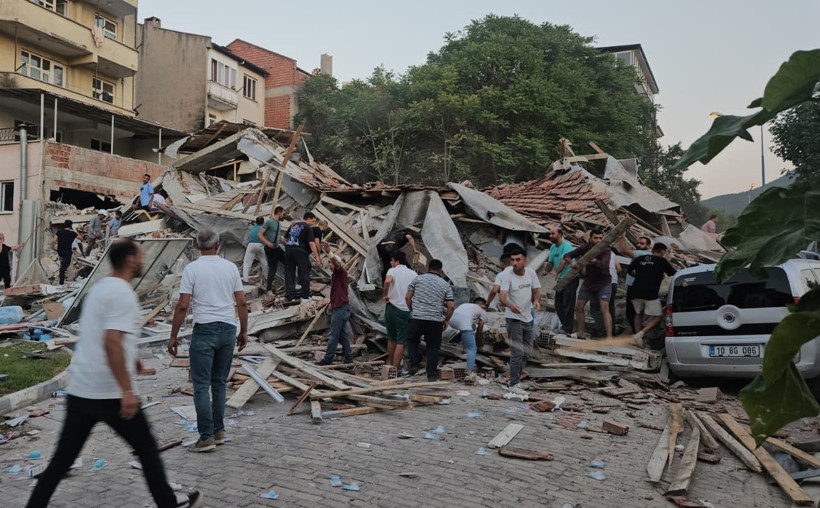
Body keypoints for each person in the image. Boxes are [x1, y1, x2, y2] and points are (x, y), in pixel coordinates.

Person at [26, 238, 203, 508]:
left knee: (61, 462)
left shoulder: (99, 289)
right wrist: (127, 390)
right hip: (110, 394)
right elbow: (110, 342)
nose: (143, 259)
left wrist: (133, 359)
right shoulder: (122, 293)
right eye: (140, 255)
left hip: (81, 390)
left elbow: (105, 336)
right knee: (146, 448)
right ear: (130, 260)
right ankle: (168, 503)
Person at [168, 230, 248, 453]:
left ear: (196, 245)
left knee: (201, 385)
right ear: (218, 244)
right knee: (219, 382)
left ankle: (206, 437)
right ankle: (219, 431)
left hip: (205, 330)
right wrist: (244, 331)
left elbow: (183, 305)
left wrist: (173, 335)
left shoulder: (192, 269)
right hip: (228, 329)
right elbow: (241, 302)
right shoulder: (230, 267)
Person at [499, 248, 541, 394]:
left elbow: (536, 290)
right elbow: (502, 296)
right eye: (513, 260)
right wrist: (511, 306)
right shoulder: (507, 275)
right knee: (517, 352)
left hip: (527, 318)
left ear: (525, 261)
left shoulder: (531, 273)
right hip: (513, 318)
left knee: (527, 351)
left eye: (518, 260)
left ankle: (516, 379)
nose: (514, 263)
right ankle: (513, 383)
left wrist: (536, 301)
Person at [404, 259, 455, 381]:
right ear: (441, 271)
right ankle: (431, 375)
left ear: (428, 268)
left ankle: (414, 365)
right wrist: (446, 319)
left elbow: (407, 297)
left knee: (411, 341)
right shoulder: (445, 284)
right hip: (435, 320)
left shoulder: (418, 279)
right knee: (433, 347)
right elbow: (451, 306)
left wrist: (412, 309)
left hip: (417, 317)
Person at [558, 229, 613, 339]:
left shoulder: (606, 250)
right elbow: (568, 255)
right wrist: (572, 262)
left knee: (604, 309)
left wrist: (594, 261)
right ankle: (580, 333)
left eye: (600, 238)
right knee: (579, 307)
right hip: (588, 282)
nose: (598, 240)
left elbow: (604, 264)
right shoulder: (585, 248)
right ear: (590, 239)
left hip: (603, 283)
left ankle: (609, 337)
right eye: (596, 238)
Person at [627, 243, 677, 342]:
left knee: (638, 314)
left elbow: (629, 269)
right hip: (650, 293)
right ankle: (640, 334)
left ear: (652, 250)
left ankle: (637, 338)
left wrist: (638, 277)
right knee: (658, 316)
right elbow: (673, 273)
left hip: (635, 290)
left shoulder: (640, 258)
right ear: (662, 251)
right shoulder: (662, 261)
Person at [383, 251, 417, 370]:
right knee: (401, 341)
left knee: (391, 338)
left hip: (391, 308)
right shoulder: (413, 274)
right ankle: (395, 368)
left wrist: (385, 294)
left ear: (397, 261)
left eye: (392, 261)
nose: (391, 263)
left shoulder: (393, 270)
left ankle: (391, 367)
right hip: (405, 309)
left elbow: (388, 281)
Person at [318, 256, 353, 365]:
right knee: (342, 336)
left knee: (333, 335)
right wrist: (331, 304)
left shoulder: (341, 272)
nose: (330, 264)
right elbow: (336, 293)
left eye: (331, 262)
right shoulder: (335, 276)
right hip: (339, 307)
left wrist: (329, 252)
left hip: (340, 309)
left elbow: (337, 265)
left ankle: (328, 359)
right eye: (329, 262)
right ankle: (348, 358)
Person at [543, 227, 576, 334]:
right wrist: (546, 271)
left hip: (570, 278)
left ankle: (567, 328)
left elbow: (564, 260)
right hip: (561, 280)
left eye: (553, 234)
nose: (550, 236)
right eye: (550, 234)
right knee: (558, 304)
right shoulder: (552, 247)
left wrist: (556, 272)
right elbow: (551, 262)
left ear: (560, 234)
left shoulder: (566, 246)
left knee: (568, 304)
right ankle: (565, 327)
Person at [283, 212, 322, 302]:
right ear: (309, 218)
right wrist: (317, 257)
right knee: (305, 272)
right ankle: (305, 296)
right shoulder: (308, 228)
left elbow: (285, 239)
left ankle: (290, 296)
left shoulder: (293, 225)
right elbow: (311, 243)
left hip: (288, 250)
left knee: (289, 273)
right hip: (300, 252)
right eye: (313, 220)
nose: (314, 222)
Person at [619, 234, 652, 333]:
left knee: (632, 312)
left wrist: (622, 236)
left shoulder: (641, 254)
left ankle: (637, 334)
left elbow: (622, 250)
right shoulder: (648, 254)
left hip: (635, 286)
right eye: (638, 243)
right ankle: (637, 333)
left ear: (649, 246)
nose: (638, 245)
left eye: (642, 243)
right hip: (638, 286)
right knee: (635, 312)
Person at [449, 297, 488, 376]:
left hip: (452, 321)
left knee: (466, 329)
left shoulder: (465, 304)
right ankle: (469, 371)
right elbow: (480, 329)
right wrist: (479, 344)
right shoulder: (482, 311)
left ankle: (465, 349)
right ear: (483, 306)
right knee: (473, 348)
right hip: (463, 322)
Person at [259, 206, 286, 295]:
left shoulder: (278, 223)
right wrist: (268, 243)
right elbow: (260, 234)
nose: (283, 215)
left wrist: (283, 240)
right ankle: (269, 289)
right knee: (273, 269)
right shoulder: (269, 222)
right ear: (279, 212)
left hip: (277, 248)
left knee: (289, 263)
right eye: (283, 213)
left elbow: (276, 235)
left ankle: (292, 283)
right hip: (270, 249)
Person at [242, 217, 268, 284]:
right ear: (263, 222)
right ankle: (266, 277)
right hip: (260, 245)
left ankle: (245, 280)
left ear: (256, 222)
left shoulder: (252, 228)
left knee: (247, 263)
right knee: (264, 262)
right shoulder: (263, 228)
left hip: (251, 245)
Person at [52, 220, 78, 285]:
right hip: (67, 251)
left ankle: (61, 280)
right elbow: (80, 238)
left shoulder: (59, 232)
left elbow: (54, 240)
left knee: (62, 264)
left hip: (60, 251)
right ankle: (62, 281)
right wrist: (75, 231)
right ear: (70, 226)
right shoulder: (72, 233)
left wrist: (52, 247)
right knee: (65, 266)